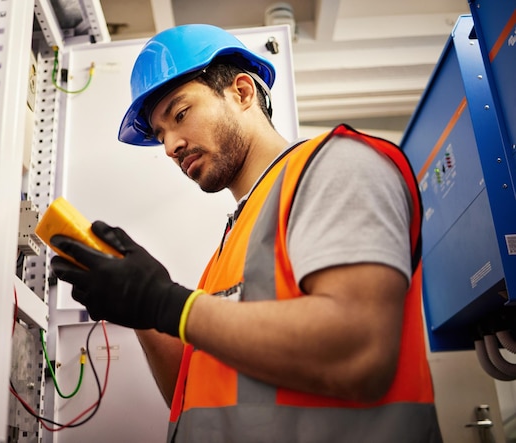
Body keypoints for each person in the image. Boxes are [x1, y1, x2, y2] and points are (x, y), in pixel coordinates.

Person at [50, 24, 443, 442]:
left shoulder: (338, 166)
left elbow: (360, 351)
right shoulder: (232, 244)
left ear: (241, 92)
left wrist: (165, 301)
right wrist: (141, 310)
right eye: (161, 134)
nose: (170, 147)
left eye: (180, 114)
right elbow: (190, 391)